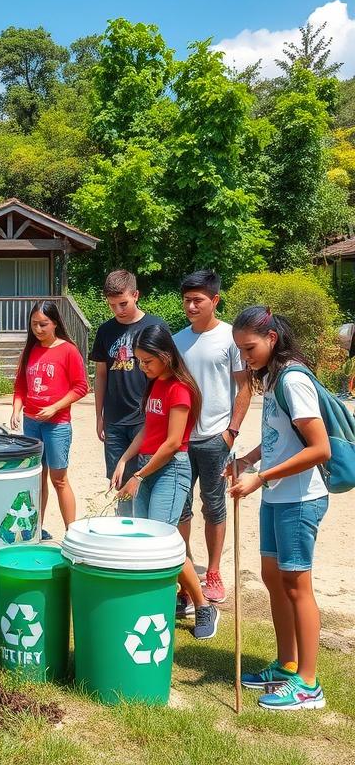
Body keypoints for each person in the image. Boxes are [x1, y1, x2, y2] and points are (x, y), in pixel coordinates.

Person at [230, 306, 330, 711]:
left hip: (301, 499)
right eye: (239, 350)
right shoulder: (271, 378)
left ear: (272, 338)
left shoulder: (293, 379)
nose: (245, 357)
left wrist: (261, 477)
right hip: (275, 495)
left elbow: (318, 448)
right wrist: (247, 462)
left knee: (295, 585)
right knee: (274, 578)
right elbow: (276, 437)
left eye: (249, 347)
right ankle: (287, 665)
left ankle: (308, 684)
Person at [110, 324, 220, 640]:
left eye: (147, 362)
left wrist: (138, 477)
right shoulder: (156, 384)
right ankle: (159, 601)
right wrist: (124, 460)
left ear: (165, 356)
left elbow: (172, 443)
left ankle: (202, 606)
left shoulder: (179, 389)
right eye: (140, 362)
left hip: (171, 469)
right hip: (147, 464)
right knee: (146, 540)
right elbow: (148, 431)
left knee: (163, 541)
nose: (142, 368)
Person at [173, 270, 251, 611]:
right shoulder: (176, 340)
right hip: (181, 439)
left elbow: (246, 387)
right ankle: (185, 577)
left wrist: (231, 430)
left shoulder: (230, 339)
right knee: (180, 507)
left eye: (198, 300)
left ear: (214, 301)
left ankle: (214, 571)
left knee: (214, 505)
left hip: (215, 438)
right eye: (187, 300)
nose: (191, 306)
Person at [90, 270, 169, 515]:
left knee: (146, 476)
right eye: (112, 305)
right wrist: (99, 415)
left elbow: (167, 372)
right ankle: (125, 528)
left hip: (146, 416)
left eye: (123, 303)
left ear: (136, 295)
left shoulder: (155, 326)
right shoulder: (105, 331)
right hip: (114, 419)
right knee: (119, 480)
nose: (118, 310)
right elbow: (101, 375)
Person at [10, 301, 88, 531]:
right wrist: (16, 409)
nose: (38, 329)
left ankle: (71, 532)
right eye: (34, 324)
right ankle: (36, 529)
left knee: (59, 478)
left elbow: (81, 387)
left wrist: (55, 407)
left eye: (43, 324)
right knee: (36, 478)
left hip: (57, 424)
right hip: (31, 422)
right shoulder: (30, 350)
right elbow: (20, 387)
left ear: (55, 323)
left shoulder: (68, 350)